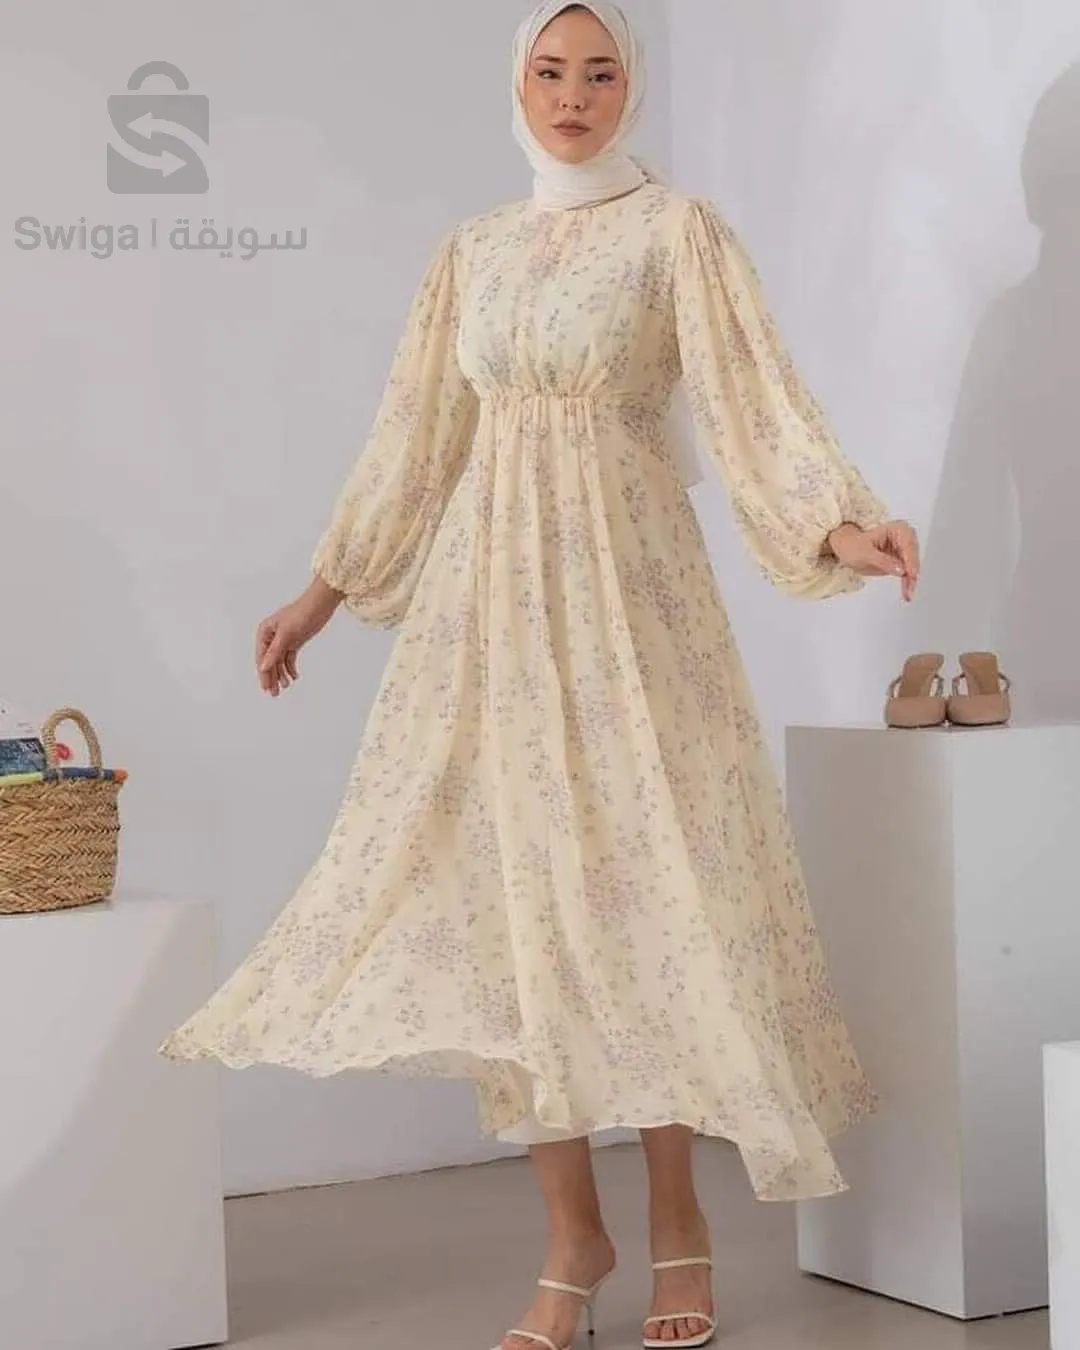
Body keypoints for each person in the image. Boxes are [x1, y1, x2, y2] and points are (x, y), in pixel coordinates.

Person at [161, 3, 920, 1347]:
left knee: (651, 891)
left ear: (633, 86)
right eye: (550, 71)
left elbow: (753, 404)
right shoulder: (474, 252)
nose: (574, 95)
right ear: (517, 85)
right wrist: (320, 594)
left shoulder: (677, 233)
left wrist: (837, 526)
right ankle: (575, 1233)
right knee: (512, 907)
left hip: (635, 606)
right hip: (492, 612)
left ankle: (678, 1221)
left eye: (601, 71)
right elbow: (415, 440)